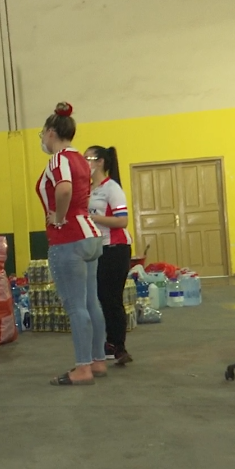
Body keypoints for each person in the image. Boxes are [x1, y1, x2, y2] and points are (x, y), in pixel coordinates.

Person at [35, 102, 106, 386]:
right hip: (90, 234)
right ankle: (98, 360)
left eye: (43, 134)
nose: (42, 139)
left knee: (75, 306)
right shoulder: (81, 160)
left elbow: (63, 188)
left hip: (69, 238)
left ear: (52, 132)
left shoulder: (58, 159)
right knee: (91, 303)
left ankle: (83, 367)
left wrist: (59, 218)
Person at [85, 145, 134, 366]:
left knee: (111, 298)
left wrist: (92, 218)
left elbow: (122, 220)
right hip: (97, 248)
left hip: (115, 248)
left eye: (89, 158)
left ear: (100, 162)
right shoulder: (88, 190)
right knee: (101, 298)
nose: (85, 162)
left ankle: (118, 346)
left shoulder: (111, 188)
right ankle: (109, 343)